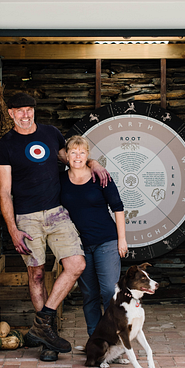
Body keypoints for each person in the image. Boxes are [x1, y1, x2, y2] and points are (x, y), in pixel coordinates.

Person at [0, 92, 109, 361]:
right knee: (36, 274)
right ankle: (49, 341)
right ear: (10, 113)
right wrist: (12, 228)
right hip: (27, 218)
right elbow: (4, 191)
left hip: (57, 214)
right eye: (19, 111)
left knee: (76, 265)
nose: (26, 115)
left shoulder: (50, 133)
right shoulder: (6, 144)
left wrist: (91, 162)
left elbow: (71, 158)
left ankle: (41, 324)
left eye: (29, 109)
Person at [60, 135, 128, 336]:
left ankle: (115, 339)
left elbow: (118, 207)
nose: (78, 156)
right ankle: (96, 341)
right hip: (79, 246)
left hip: (106, 241)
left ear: (87, 154)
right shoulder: (61, 180)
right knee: (89, 295)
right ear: (67, 155)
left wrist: (122, 239)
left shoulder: (101, 177)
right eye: (73, 152)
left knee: (109, 291)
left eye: (82, 152)